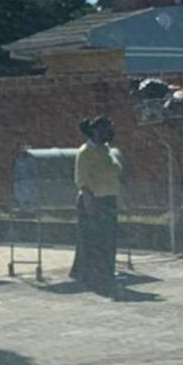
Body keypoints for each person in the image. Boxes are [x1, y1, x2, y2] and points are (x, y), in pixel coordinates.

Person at [71, 116, 122, 291]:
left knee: (108, 239)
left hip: (108, 199)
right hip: (92, 200)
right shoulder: (86, 152)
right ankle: (88, 275)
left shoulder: (106, 150)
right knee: (91, 239)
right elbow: (82, 180)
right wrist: (89, 204)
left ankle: (105, 272)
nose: (109, 132)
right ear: (95, 131)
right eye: (106, 128)